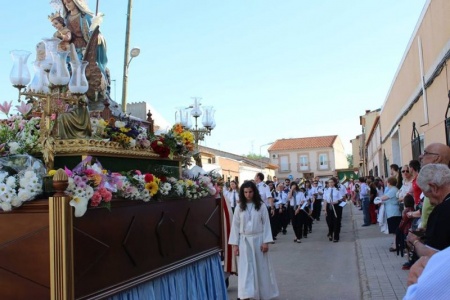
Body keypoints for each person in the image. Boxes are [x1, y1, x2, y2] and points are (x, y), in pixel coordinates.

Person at [228, 181, 279, 300]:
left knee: (260, 268)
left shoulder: (261, 206)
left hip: (258, 239)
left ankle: (261, 293)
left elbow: (266, 224)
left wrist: (266, 242)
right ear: (242, 193)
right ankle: (246, 294)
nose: (248, 194)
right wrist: (235, 245)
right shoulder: (239, 207)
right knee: (246, 269)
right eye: (245, 192)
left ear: (254, 192)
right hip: (244, 240)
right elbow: (235, 226)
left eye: (250, 192)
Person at [406, 164, 450, 257]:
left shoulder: (441, 211)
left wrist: (414, 241)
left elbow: (432, 256)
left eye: (427, 196)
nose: (430, 202)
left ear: (434, 188)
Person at [380, 177, 401, 252]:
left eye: (386, 182)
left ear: (389, 182)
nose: (386, 183)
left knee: (395, 230)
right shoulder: (393, 189)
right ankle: (396, 243)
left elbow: (385, 197)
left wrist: (378, 199)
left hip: (393, 213)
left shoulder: (393, 190)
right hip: (391, 212)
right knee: (394, 230)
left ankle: (396, 245)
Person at [323, 177, 346, 242]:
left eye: (332, 182)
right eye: (329, 182)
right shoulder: (326, 190)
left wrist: (335, 202)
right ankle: (330, 233)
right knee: (329, 221)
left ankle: (336, 236)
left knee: (336, 221)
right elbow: (325, 200)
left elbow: (341, 199)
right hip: (329, 206)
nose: (330, 183)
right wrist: (325, 209)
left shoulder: (337, 190)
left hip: (336, 206)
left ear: (334, 183)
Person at [254, 173, 275, 239]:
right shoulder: (254, 186)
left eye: (255, 176)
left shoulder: (265, 186)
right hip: (254, 208)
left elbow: (269, 197)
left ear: (258, 177)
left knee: (265, 224)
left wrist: (272, 208)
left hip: (263, 208)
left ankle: (266, 237)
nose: (254, 177)